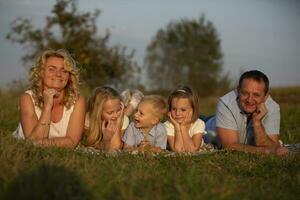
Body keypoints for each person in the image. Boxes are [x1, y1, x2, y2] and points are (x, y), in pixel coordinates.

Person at [13, 49, 86, 148]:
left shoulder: (78, 101)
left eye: (64, 70)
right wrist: (47, 107)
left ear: (69, 76)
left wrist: (43, 143)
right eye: (52, 69)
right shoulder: (27, 98)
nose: (58, 74)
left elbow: (72, 141)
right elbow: (33, 142)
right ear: (41, 72)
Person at [205, 70, 289, 155]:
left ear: (266, 96)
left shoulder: (273, 107)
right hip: (207, 126)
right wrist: (266, 151)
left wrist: (257, 123)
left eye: (256, 95)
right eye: (245, 93)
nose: (249, 100)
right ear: (238, 90)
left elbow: (272, 146)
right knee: (196, 119)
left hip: (222, 120)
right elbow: (229, 146)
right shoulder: (226, 103)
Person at [84, 86, 130, 150]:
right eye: (110, 113)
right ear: (98, 112)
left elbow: (115, 148)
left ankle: (132, 105)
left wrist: (118, 124)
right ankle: (131, 105)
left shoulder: (123, 120)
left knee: (125, 114)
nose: (116, 115)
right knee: (127, 111)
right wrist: (106, 140)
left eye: (118, 110)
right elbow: (90, 144)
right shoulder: (87, 120)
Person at [165, 85, 206, 152]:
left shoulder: (199, 123)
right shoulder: (168, 125)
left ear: (193, 110)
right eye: (174, 109)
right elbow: (178, 150)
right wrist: (177, 127)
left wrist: (183, 127)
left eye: (183, 110)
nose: (177, 113)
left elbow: (192, 149)